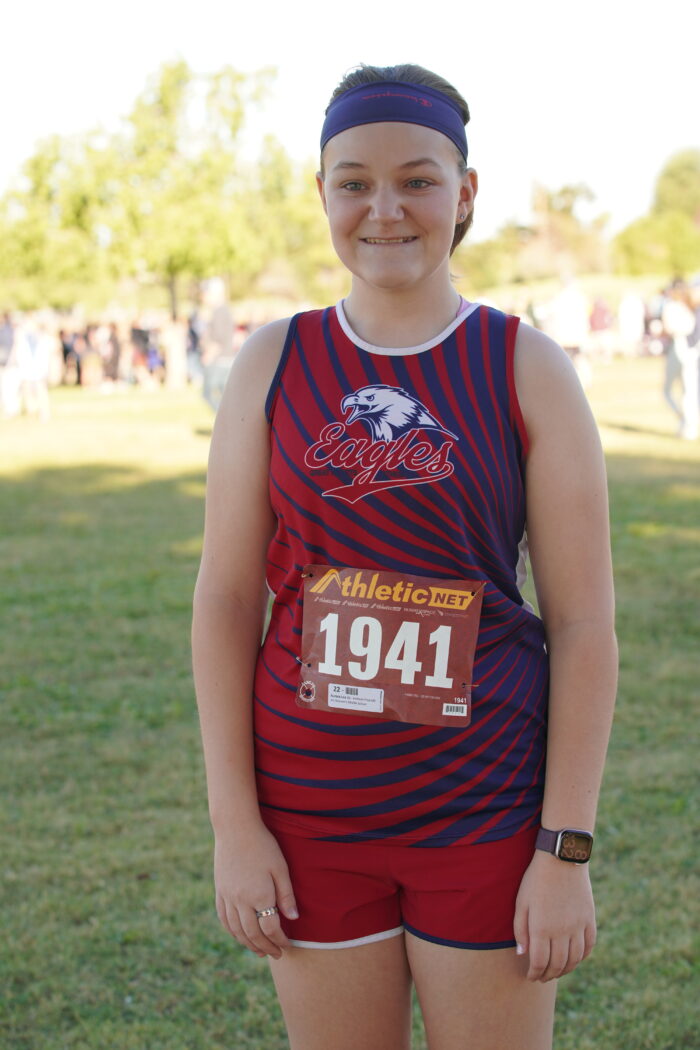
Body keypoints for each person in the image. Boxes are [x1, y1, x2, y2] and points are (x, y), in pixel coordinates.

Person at [192, 63, 618, 1050]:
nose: (384, 209)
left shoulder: (522, 366)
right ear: (323, 193)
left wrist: (563, 847)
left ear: (464, 193)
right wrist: (234, 826)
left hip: (483, 812)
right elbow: (223, 602)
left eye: (418, 179)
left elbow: (585, 624)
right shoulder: (273, 362)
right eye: (354, 182)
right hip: (309, 816)